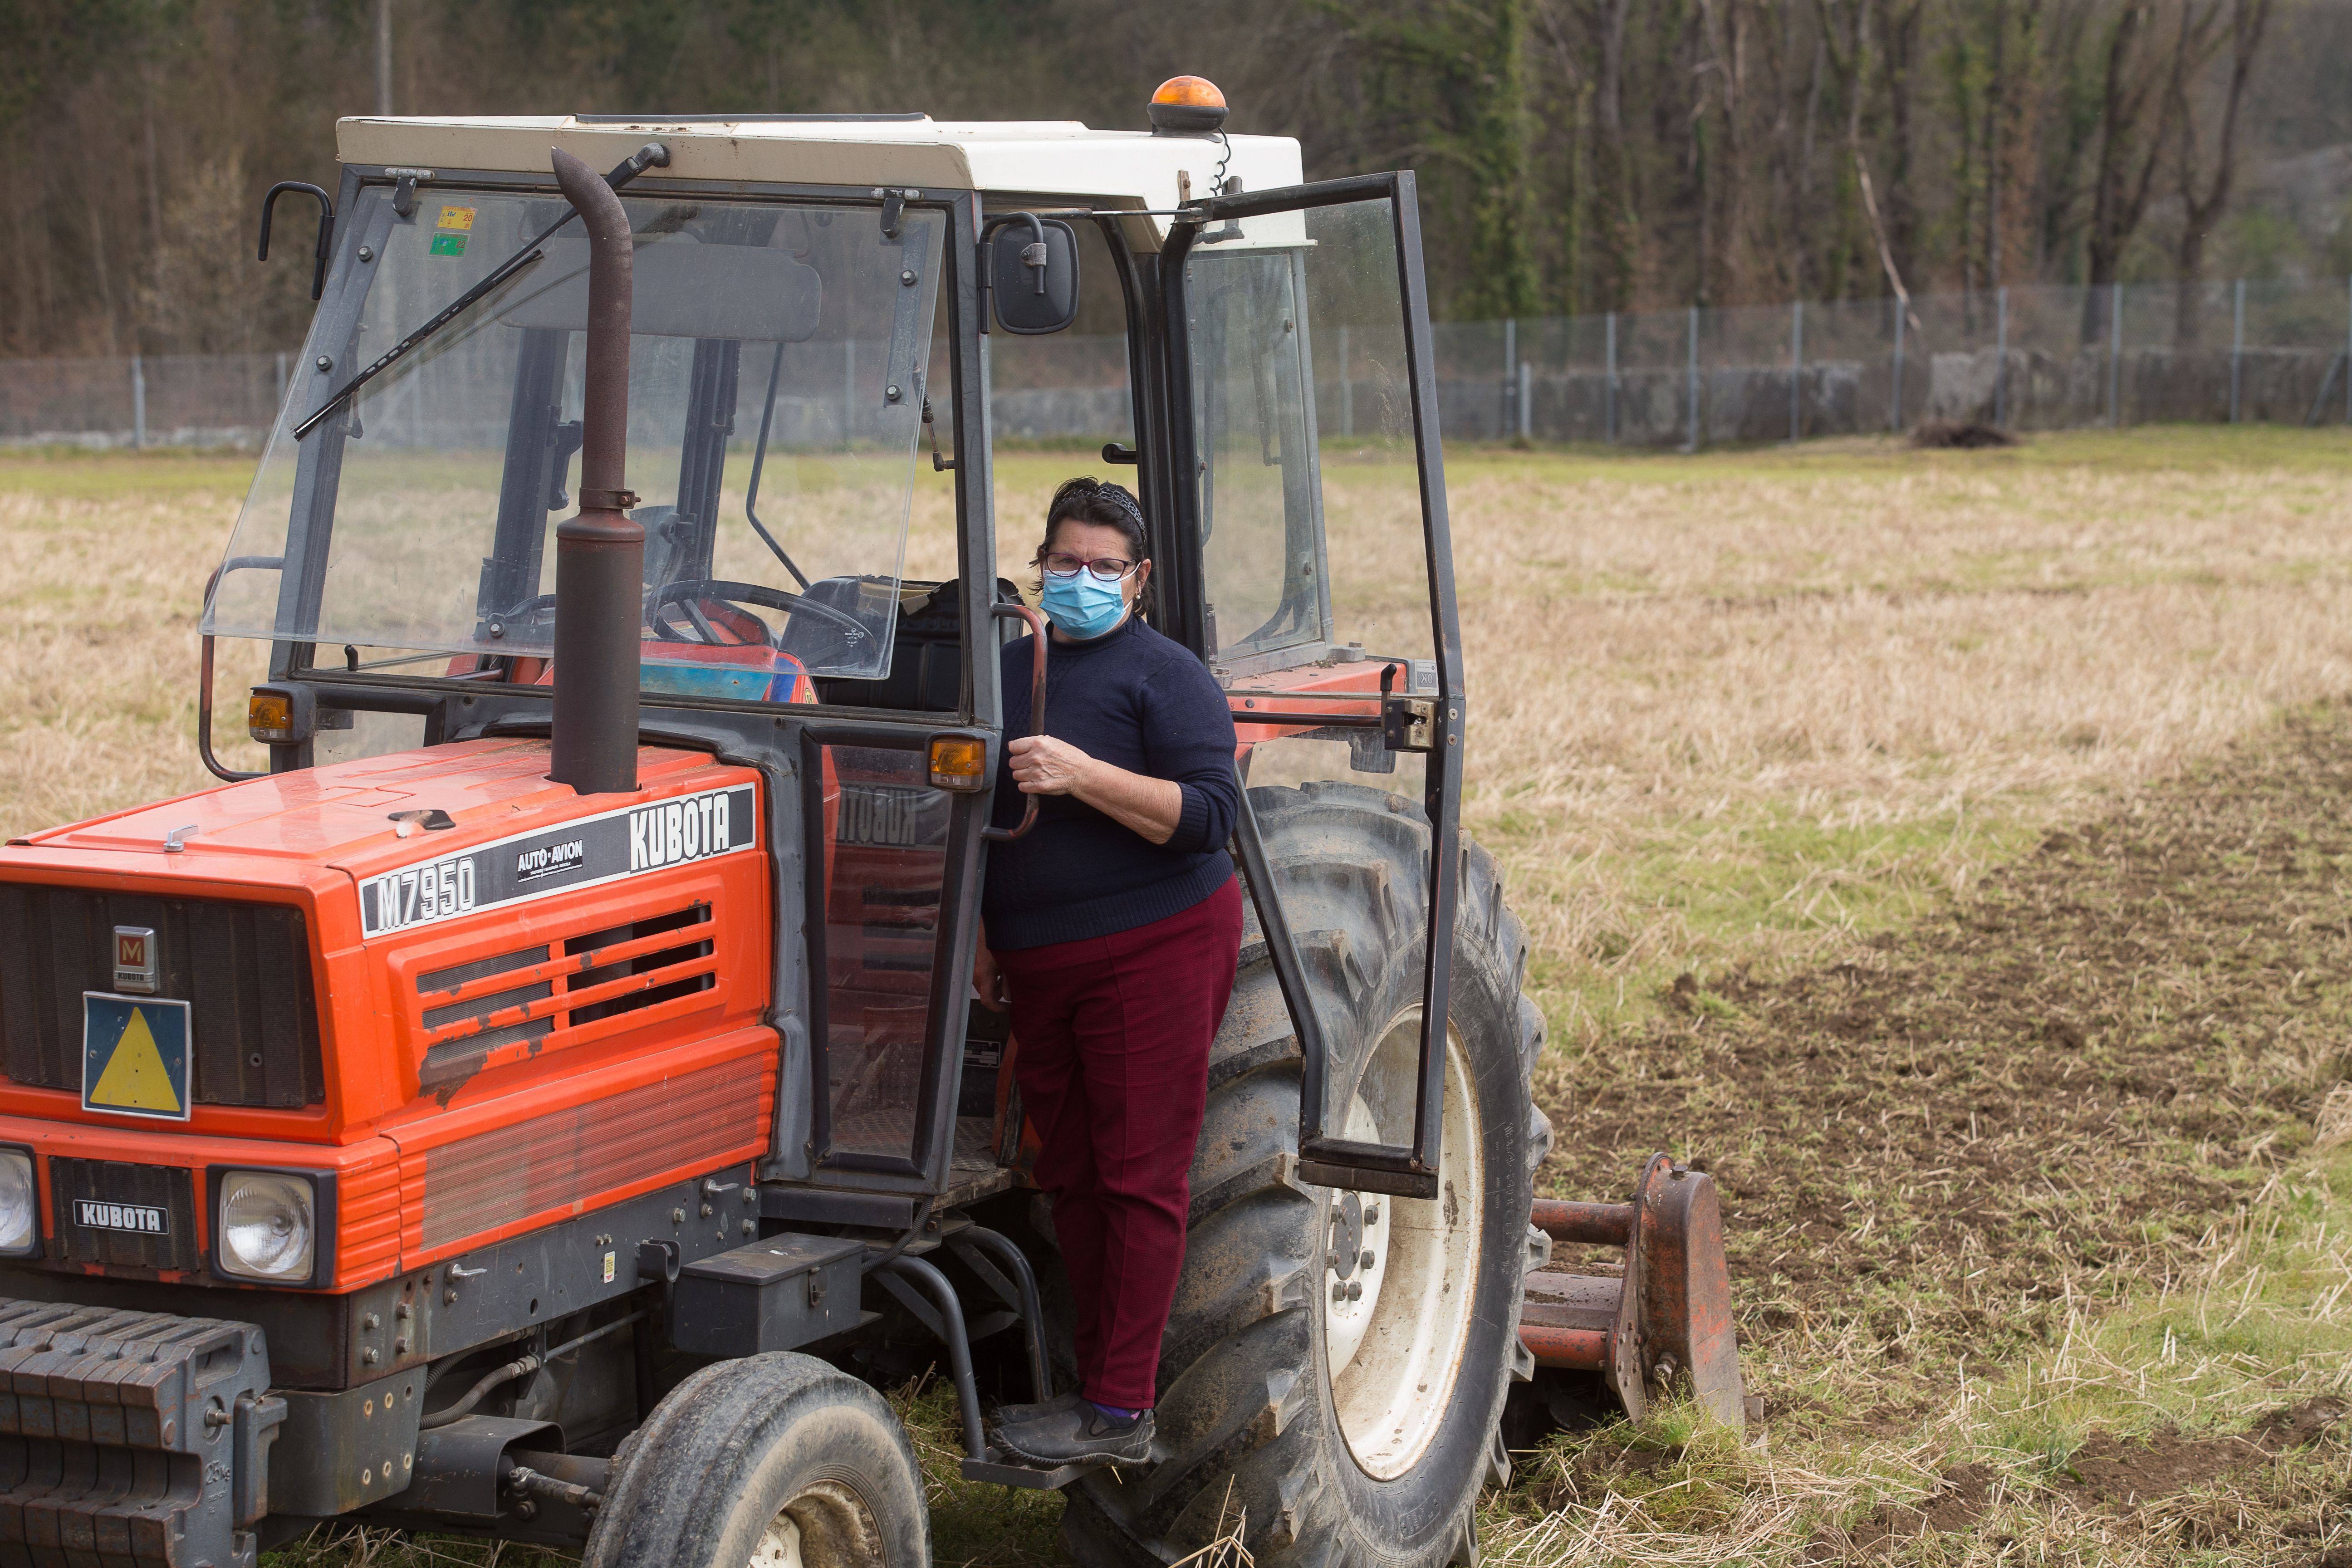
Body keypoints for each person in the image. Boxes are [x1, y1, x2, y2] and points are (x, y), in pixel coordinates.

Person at [976, 476, 1242, 1467]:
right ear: (1038, 563)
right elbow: (980, 826)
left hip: (1156, 946)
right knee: (1071, 1176)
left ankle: (1122, 1414)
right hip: (1040, 962)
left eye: (1102, 567)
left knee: (1136, 1177)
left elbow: (1211, 818)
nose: (1080, 580)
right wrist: (983, 942)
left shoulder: (1164, 675)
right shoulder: (1006, 672)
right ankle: (1092, 1389)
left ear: (1139, 579)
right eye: (1064, 562)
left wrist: (1080, 773)